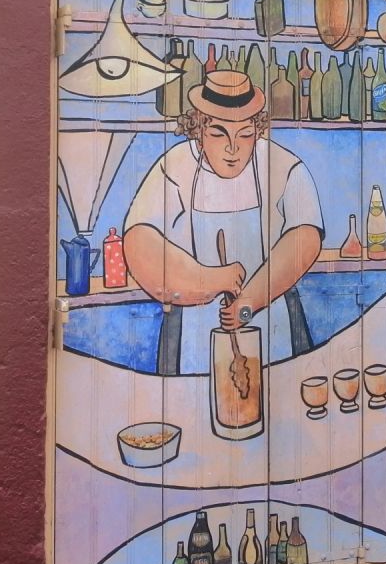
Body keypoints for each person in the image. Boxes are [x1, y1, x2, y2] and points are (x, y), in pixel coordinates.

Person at [123, 69, 323, 376]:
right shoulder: (174, 167)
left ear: (258, 129)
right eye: (218, 134)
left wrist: (249, 301)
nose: (233, 148)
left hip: (272, 319)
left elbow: (305, 237)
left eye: (245, 134)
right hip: (193, 332)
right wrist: (211, 279)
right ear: (199, 128)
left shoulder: (284, 166)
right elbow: (138, 243)